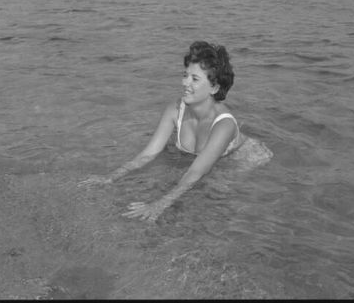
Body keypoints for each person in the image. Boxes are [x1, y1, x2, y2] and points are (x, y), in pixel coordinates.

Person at [78, 41, 272, 221]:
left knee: (212, 202)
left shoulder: (224, 125)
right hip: (200, 159)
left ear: (214, 87)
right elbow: (149, 153)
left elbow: (196, 172)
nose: (185, 83)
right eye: (185, 75)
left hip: (241, 158)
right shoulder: (175, 109)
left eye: (194, 79)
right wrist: (110, 177)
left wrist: (159, 205)